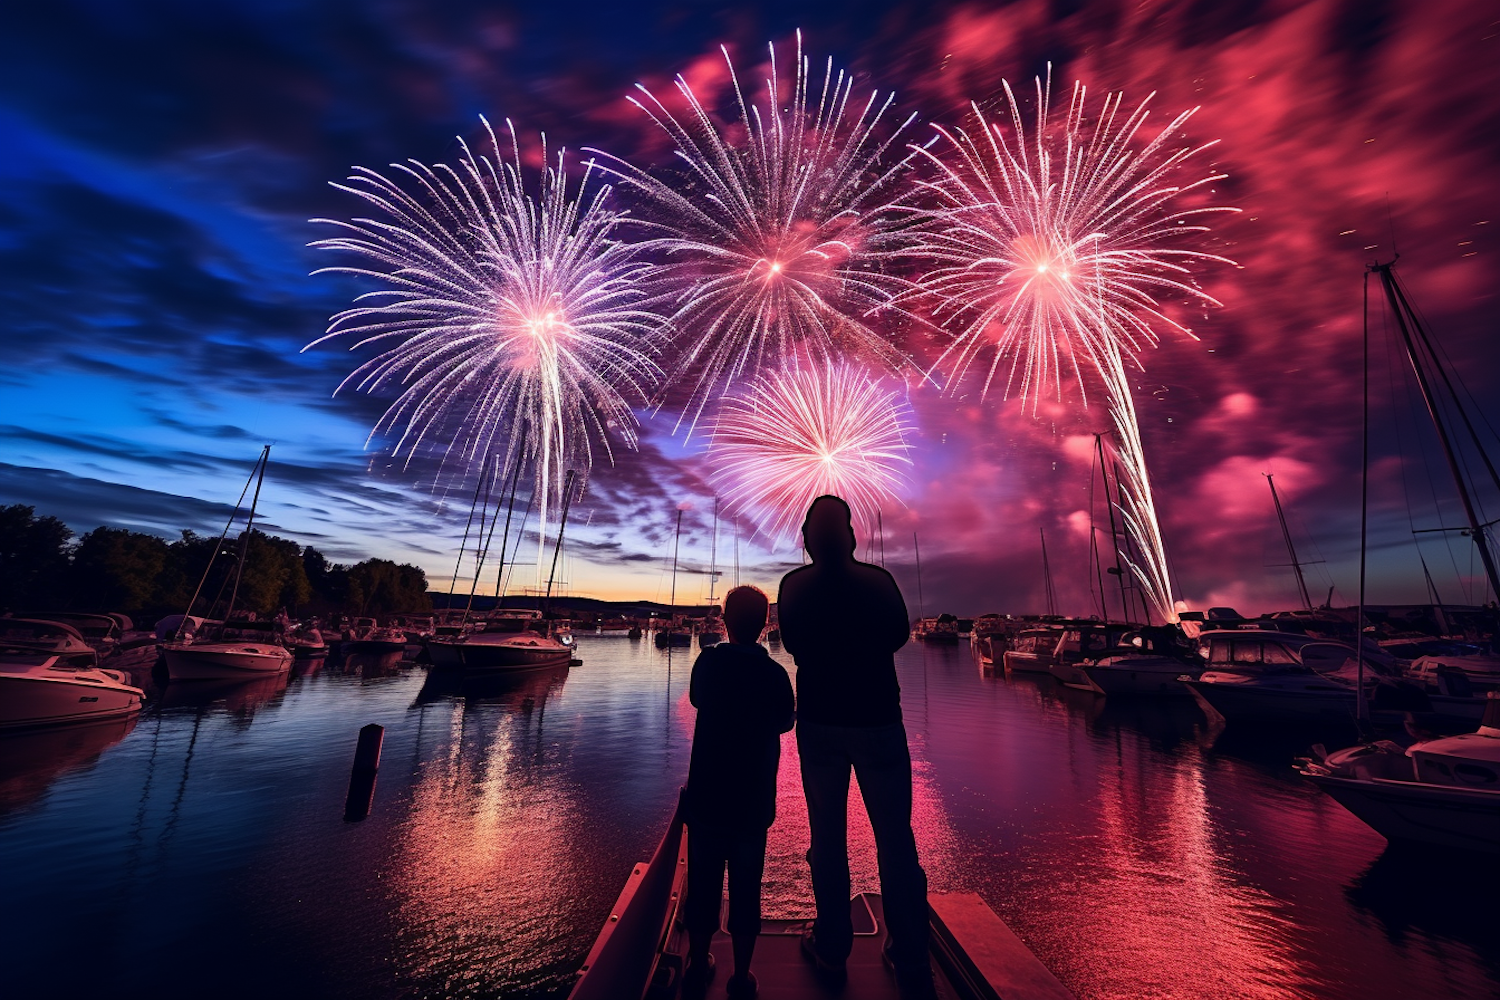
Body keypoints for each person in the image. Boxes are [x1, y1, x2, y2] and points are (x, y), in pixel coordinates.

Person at [778, 495, 933, 993]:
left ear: (808, 538)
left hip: (821, 721)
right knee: (896, 839)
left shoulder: (794, 586)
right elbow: (897, 637)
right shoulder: (878, 582)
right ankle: (910, 955)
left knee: (827, 837)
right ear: (850, 534)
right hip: (878, 719)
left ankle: (832, 947)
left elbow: (796, 646)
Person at [682, 585, 795, 1000]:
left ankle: (697, 965)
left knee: (704, 885)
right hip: (752, 802)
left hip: (708, 797)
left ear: (725, 622)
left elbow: (696, 699)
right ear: (766, 625)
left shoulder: (708, 664)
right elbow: (785, 722)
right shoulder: (774, 675)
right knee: (747, 888)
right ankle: (741, 976)